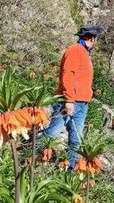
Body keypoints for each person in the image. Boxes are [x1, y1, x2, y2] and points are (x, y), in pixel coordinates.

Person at [43, 25, 104, 169]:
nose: (96, 43)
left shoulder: (84, 52)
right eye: (96, 40)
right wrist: (69, 100)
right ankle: (31, 156)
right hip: (69, 102)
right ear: (92, 39)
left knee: (75, 140)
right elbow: (67, 74)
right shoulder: (75, 50)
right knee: (52, 133)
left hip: (81, 103)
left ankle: (69, 171)